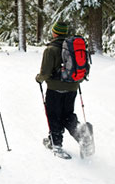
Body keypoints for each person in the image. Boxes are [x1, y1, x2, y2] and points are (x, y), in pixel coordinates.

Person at [35, 22, 81, 153]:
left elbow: (45, 73)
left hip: (55, 88)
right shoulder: (72, 48)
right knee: (67, 114)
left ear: (55, 33)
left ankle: (56, 143)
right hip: (72, 87)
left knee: (54, 114)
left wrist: (38, 78)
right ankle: (82, 135)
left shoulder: (51, 49)